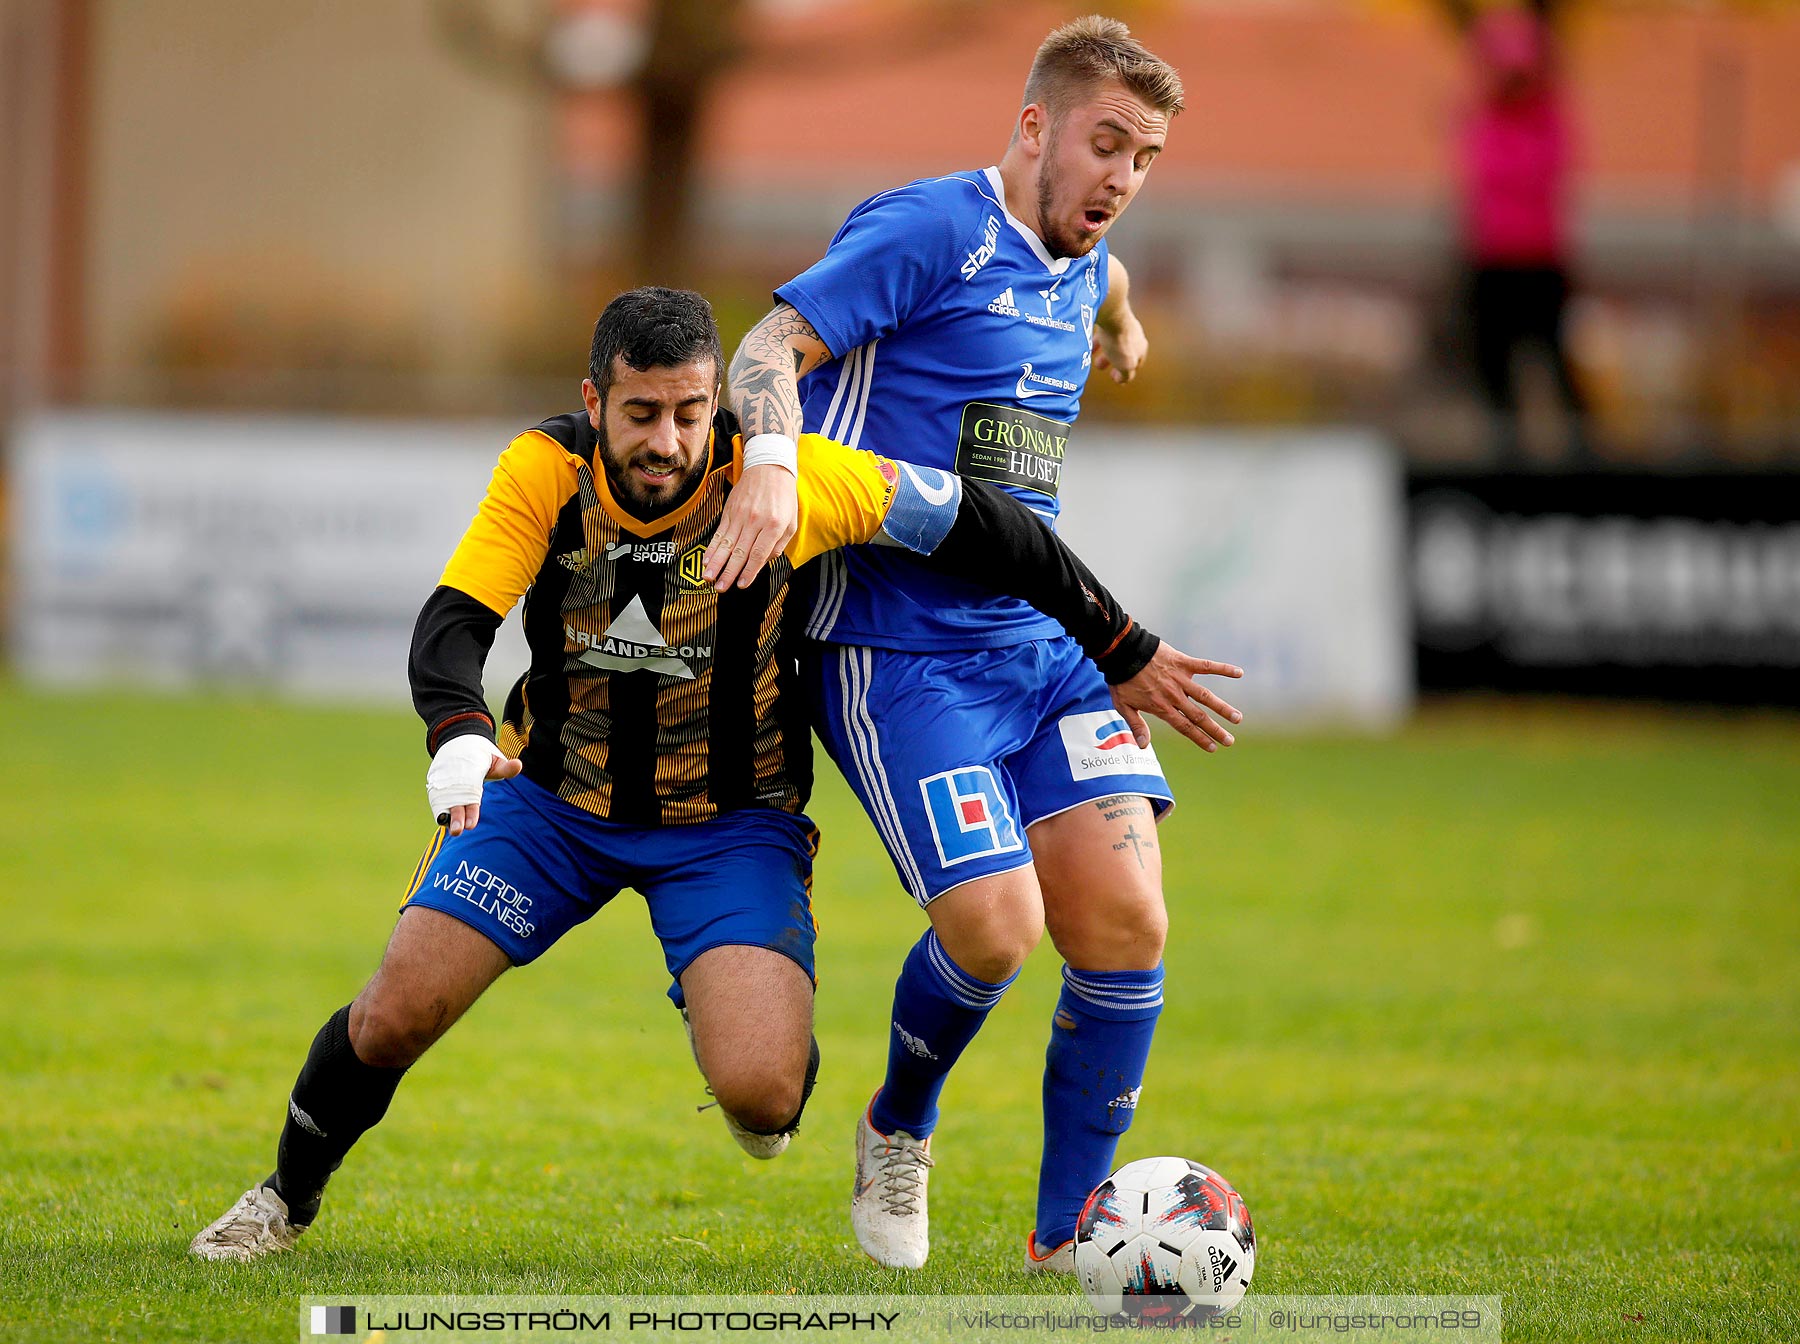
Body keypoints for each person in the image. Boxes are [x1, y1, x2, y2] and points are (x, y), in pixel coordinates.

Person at [189, 285, 1217, 1262]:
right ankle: (283, 1197)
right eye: (640, 413)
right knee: (395, 1011)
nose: (667, 441)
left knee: (764, 1097)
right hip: (550, 808)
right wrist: (458, 732)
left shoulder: (786, 480)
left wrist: (1120, 644)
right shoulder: (545, 471)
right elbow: (454, 622)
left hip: (730, 830)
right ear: (595, 402)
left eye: (690, 411)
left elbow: (994, 530)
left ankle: (741, 1009)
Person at [724, 17, 1243, 1273]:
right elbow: (763, 348)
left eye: (1147, 155)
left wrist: (1121, 324)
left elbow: (1099, 279)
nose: (1121, 177)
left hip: (1035, 640)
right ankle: (899, 1125)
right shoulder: (929, 229)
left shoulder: (1086, 254)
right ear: (1032, 130)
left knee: (1125, 919)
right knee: (998, 928)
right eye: (1104, 144)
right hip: (891, 648)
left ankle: (1065, 1241)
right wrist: (774, 466)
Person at [1445, 0, 1588, 461]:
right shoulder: (1483, 121)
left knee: (1553, 363)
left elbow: (1538, 175)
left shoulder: (1548, 120)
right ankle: (1504, 456)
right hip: (1492, 262)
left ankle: (1583, 456)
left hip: (1541, 263)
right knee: (1493, 368)